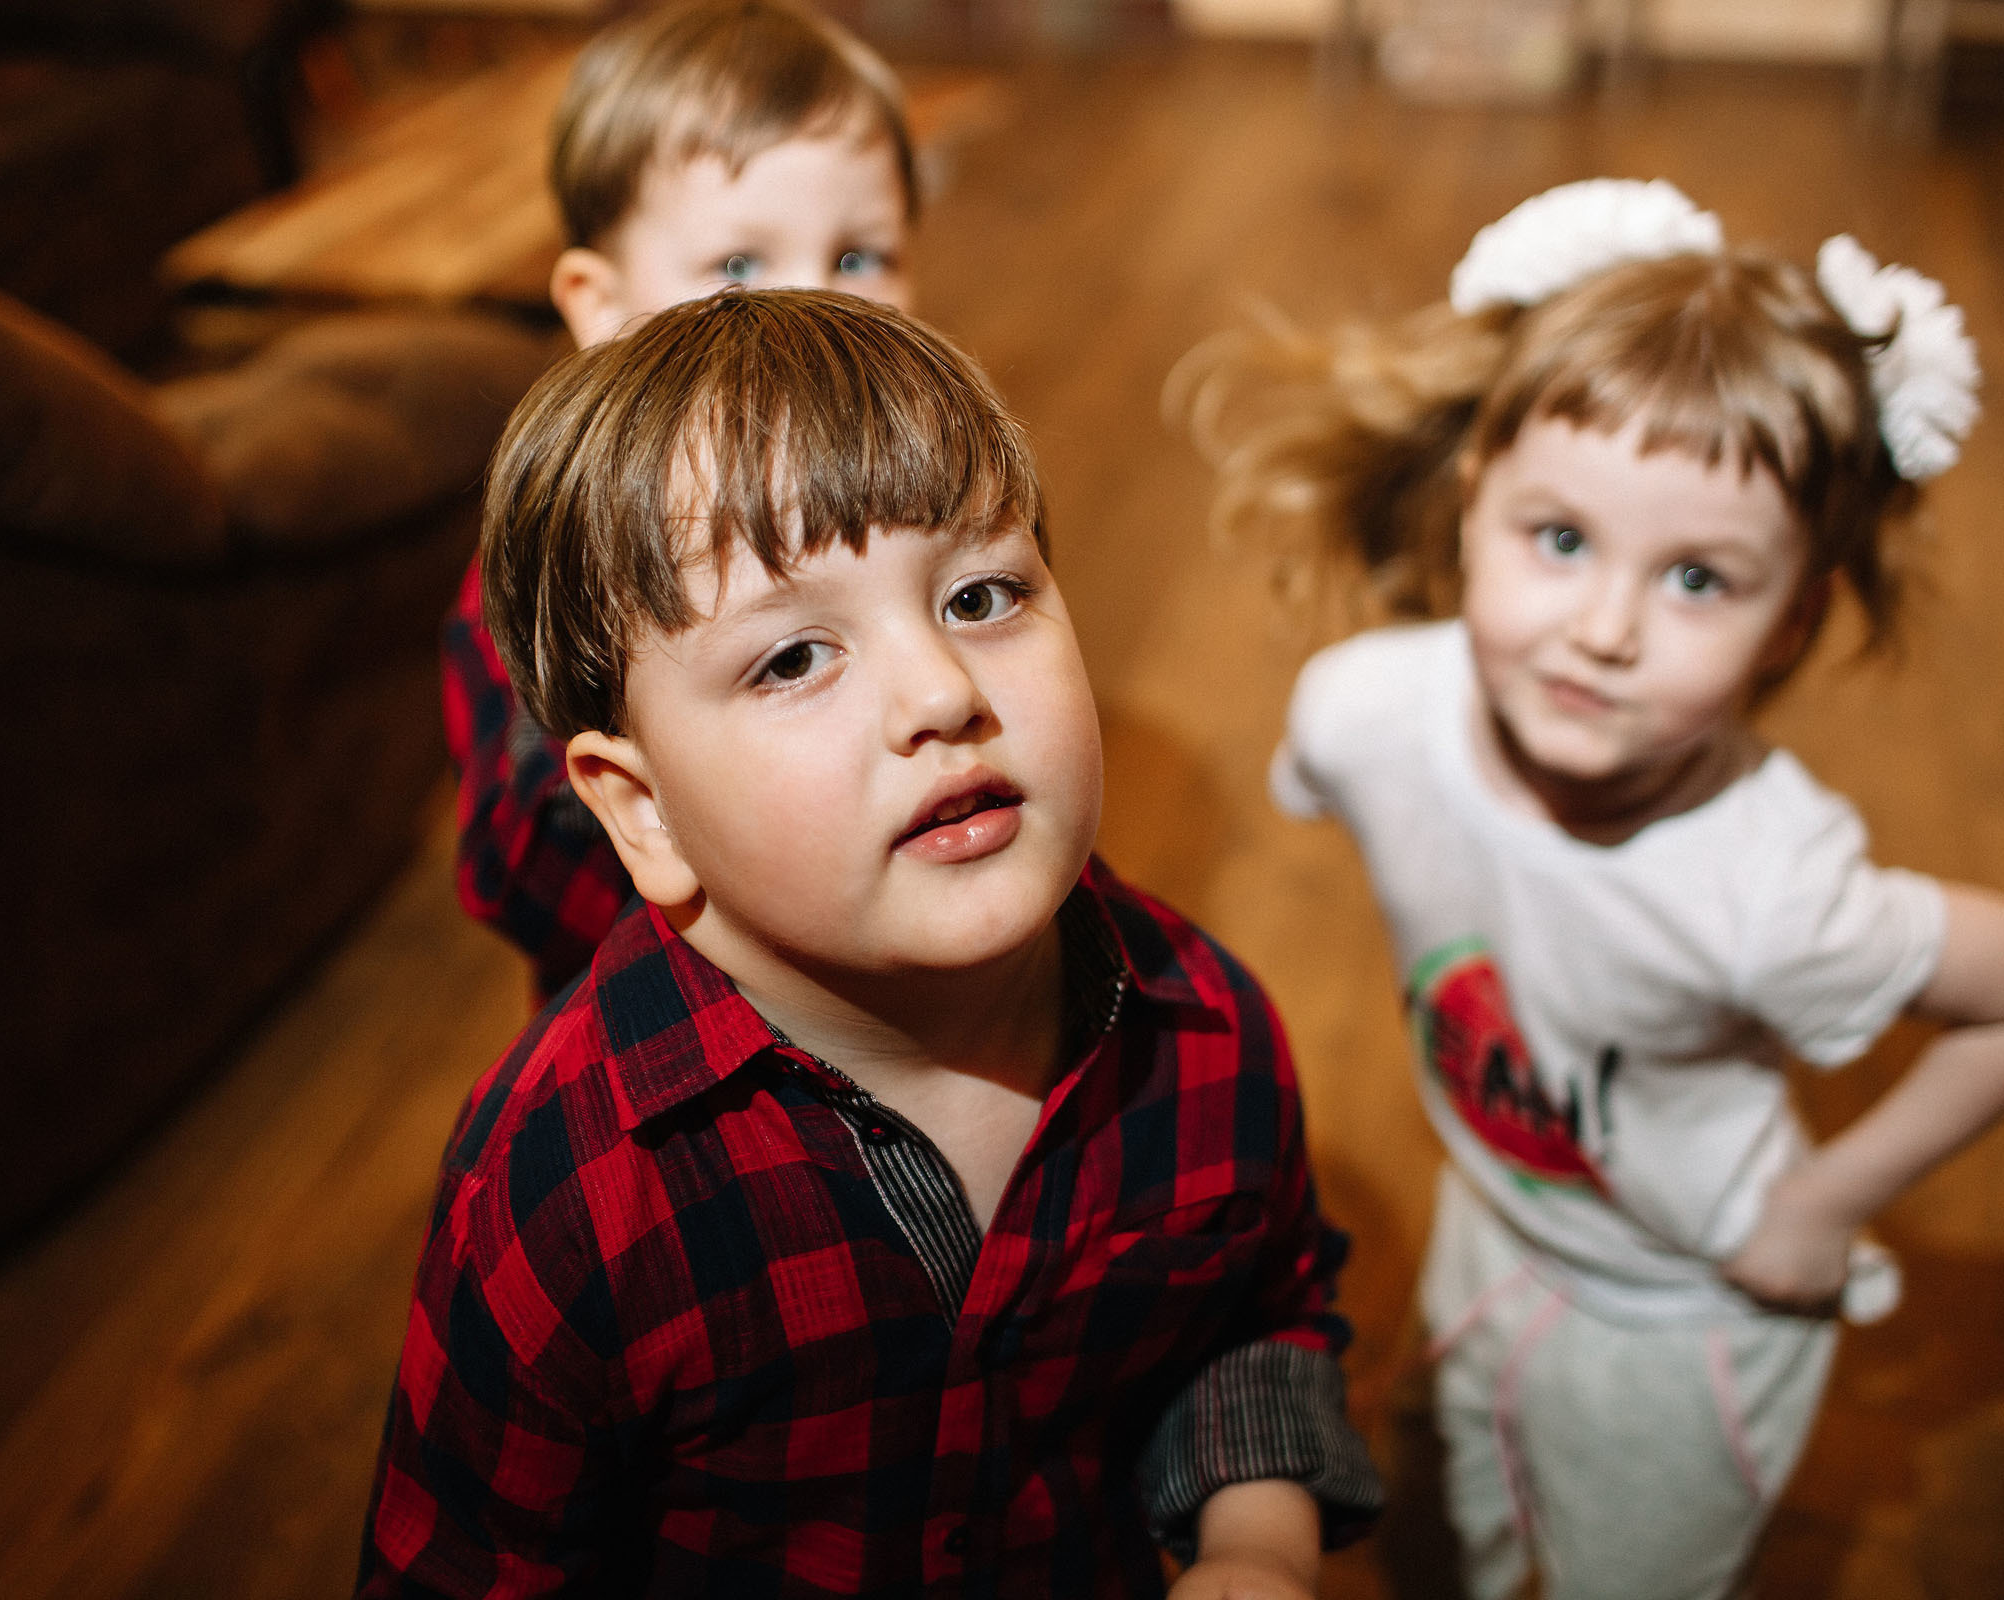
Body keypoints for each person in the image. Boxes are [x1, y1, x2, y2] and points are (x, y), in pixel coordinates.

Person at [359, 289, 1383, 1597]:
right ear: (644, 810)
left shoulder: (1205, 1034)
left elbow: (1254, 1317)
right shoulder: (569, 1185)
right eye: (791, 658)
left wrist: (1256, 1542)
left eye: (980, 594)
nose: (942, 693)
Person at [1174, 178, 2004, 1599]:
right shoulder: (1362, 716)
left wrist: (1824, 1205)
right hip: (1491, 1225)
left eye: (1696, 579)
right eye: (1561, 540)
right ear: (1477, 502)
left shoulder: (1771, 888)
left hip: (1687, 1323)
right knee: (1432, 1542)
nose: (1603, 629)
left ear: (1794, 615)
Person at [442, 0, 918, 996]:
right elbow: (517, 863)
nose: (814, 309)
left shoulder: (921, 507)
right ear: (601, 307)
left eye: (858, 257)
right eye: (738, 266)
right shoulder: (550, 577)